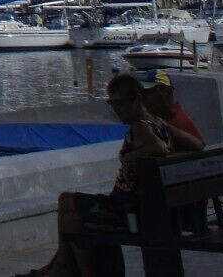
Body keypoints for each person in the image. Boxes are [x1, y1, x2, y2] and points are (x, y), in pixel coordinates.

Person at [18, 73, 173, 277]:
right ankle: (57, 268)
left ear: (136, 100)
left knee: (68, 204)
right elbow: (197, 144)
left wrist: (129, 157)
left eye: (119, 103)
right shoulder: (160, 123)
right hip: (142, 206)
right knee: (71, 215)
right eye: (111, 103)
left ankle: (61, 268)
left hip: (126, 209)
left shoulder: (141, 126)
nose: (116, 109)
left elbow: (158, 147)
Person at [142, 75, 204, 150]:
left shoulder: (175, 123)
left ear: (168, 93)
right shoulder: (154, 117)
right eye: (143, 92)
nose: (143, 98)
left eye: (149, 92)